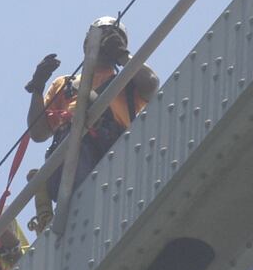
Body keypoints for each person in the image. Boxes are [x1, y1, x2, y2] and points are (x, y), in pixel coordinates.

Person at [25, 16, 159, 201]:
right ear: (87, 41)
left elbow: (151, 84)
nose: (105, 40)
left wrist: (122, 54)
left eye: (113, 37)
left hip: (111, 151)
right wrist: (37, 89)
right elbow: (38, 133)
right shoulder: (65, 83)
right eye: (102, 34)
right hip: (68, 154)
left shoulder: (129, 79)